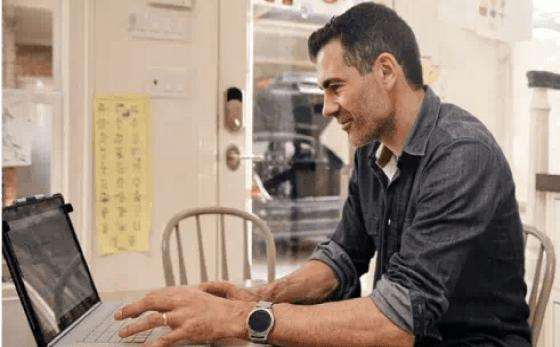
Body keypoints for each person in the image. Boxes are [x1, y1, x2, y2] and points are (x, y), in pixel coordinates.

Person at [114, 3, 532, 347]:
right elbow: (343, 256)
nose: (327, 108)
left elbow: (398, 319)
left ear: (386, 72)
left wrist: (245, 317)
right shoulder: (372, 150)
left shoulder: (461, 155)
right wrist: (261, 296)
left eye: (336, 87)